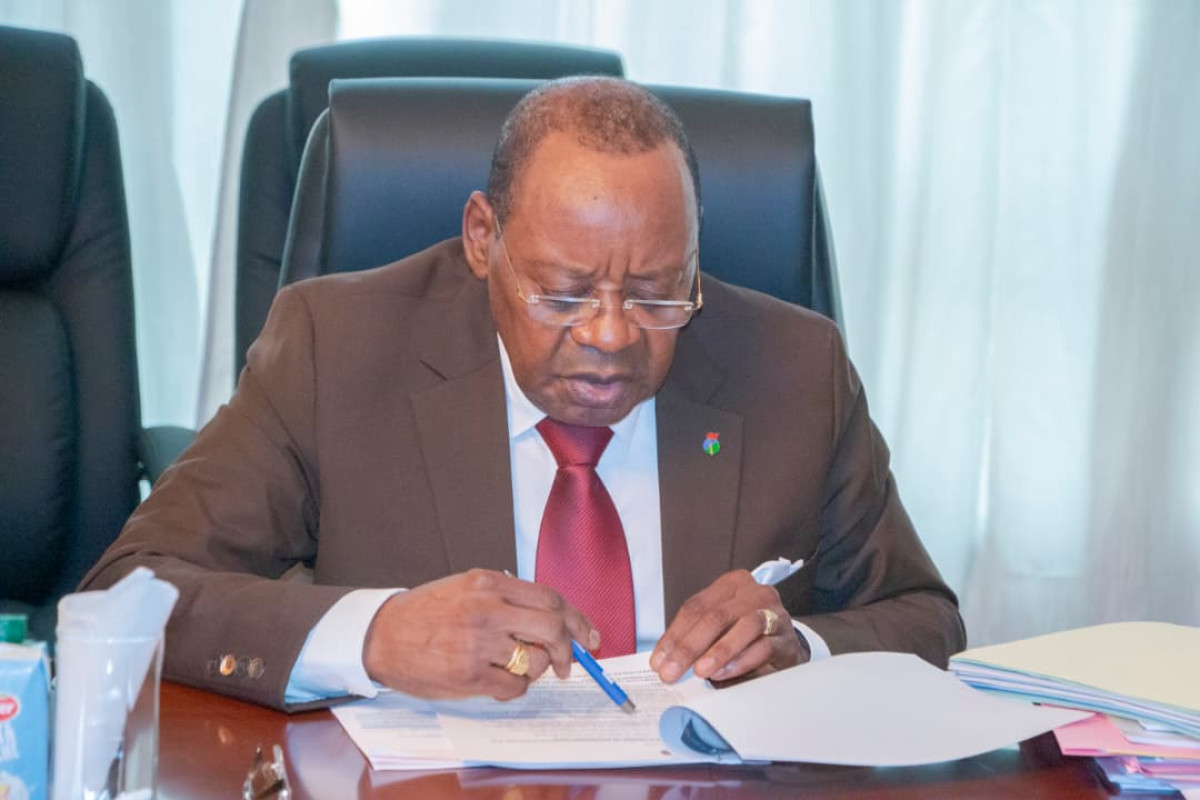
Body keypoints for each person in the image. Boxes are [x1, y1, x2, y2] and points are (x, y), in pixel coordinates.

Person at [82, 76, 965, 710]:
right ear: (482, 239)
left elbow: (925, 619)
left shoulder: (796, 367)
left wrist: (800, 644)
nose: (611, 335)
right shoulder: (336, 349)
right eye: (565, 294)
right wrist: (376, 635)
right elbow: (127, 590)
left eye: (657, 293)